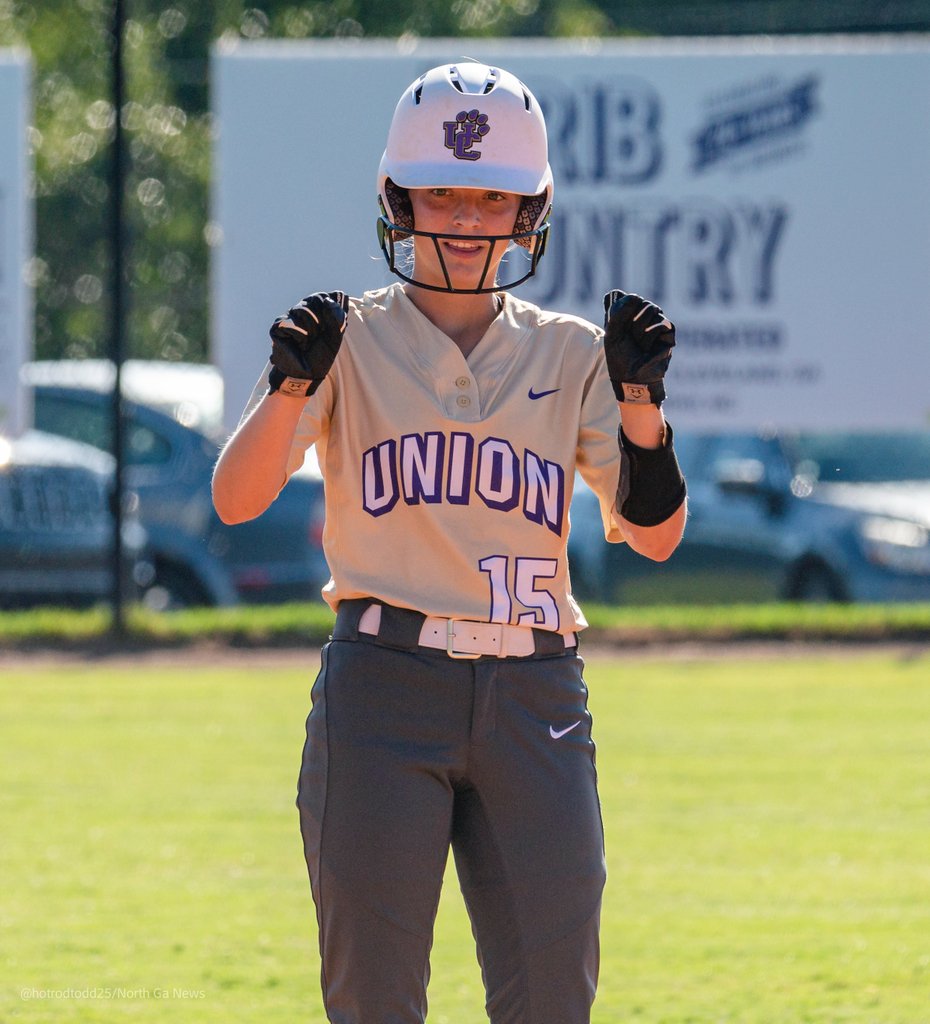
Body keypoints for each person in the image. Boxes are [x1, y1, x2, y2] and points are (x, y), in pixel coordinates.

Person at [212, 60, 687, 1024]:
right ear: (396, 198)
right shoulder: (343, 339)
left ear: (529, 210)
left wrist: (642, 408)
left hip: (536, 693)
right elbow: (236, 497)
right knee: (373, 1000)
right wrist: (291, 385)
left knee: (552, 997)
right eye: (442, 191)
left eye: (492, 194)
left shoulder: (571, 353)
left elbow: (656, 535)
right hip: (383, 680)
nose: (466, 217)